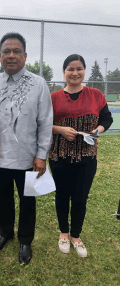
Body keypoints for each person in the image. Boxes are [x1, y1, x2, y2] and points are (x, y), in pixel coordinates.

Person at [0, 33, 53, 265]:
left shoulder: (38, 84)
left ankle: (25, 240)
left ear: (25, 56)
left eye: (16, 51)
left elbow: (45, 122)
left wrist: (41, 155)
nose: (11, 55)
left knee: (28, 200)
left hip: (28, 158)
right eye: (6, 51)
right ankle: (5, 233)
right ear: (0, 56)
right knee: (3, 198)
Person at [48, 54, 113, 257]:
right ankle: (64, 233)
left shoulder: (96, 95)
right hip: (59, 157)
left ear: (84, 71)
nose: (75, 73)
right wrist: (60, 130)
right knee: (62, 196)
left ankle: (76, 235)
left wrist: (99, 129)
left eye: (79, 68)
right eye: (70, 69)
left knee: (80, 198)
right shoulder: (54, 98)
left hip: (87, 157)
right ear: (64, 72)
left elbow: (106, 118)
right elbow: (42, 124)